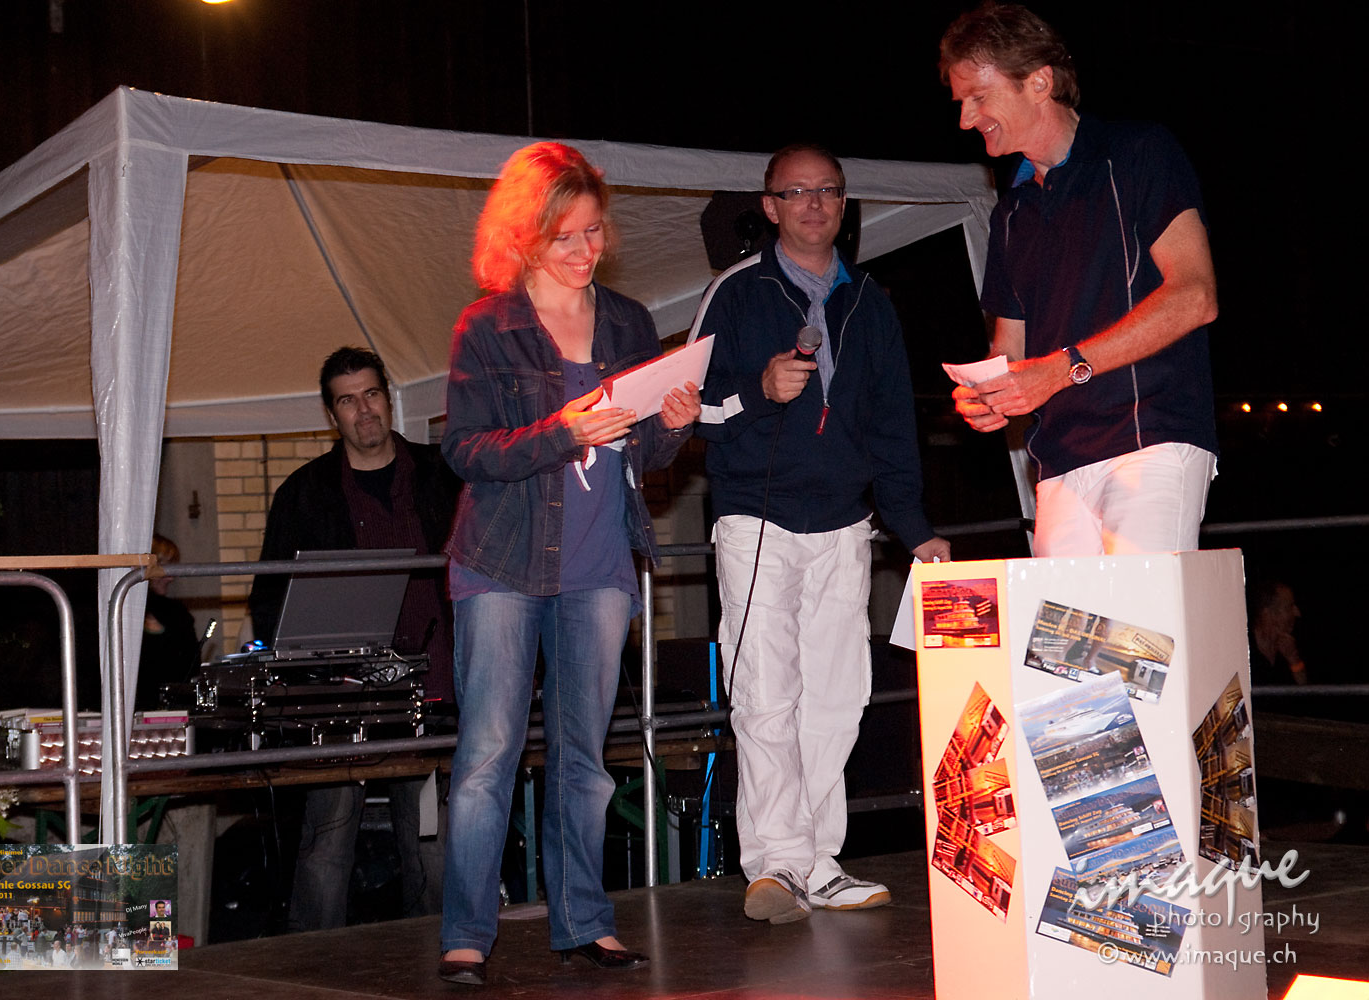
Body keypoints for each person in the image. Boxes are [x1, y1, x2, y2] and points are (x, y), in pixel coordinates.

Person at [438, 141, 700, 986]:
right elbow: (464, 450)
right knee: (489, 755)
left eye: (594, 231)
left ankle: (584, 922)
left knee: (585, 759)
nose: (587, 249)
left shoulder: (626, 321)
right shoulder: (487, 327)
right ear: (524, 236)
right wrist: (563, 431)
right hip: (501, 563)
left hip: (599, 563)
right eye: (566, 237)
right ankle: (466, 933)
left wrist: (674, 423)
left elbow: (644, 451)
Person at [693, 144, 950, 924]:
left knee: (839, 698)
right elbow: (688, 409)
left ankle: (817, 861)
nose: (813, 204)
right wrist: (758, 390)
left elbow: (892, 427)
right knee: (767, 697)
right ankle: (776, 864)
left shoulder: (870, 300)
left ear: (844, 203)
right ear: (769, 206)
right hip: (757, 518)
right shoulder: (736, 292)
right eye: (796, 192)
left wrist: (914, 529)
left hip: (845, 523)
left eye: (828, 191)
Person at [940, 3, 1220, 557]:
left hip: (1149, 437)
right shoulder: (1010, 212)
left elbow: (1195, 295)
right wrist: (990, 396)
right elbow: (1010, 350)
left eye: (979, 97)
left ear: (1039, 82)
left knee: (1138, 616)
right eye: (961, 103)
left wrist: (1061, 369)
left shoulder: (1138, 153)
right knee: (1060, 621)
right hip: (1058, 459)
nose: (966, 120)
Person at [248, 345, 462, 929]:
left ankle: (441, 956)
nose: (363, 410)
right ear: (331, 414)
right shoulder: (302, 493)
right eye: (347, 401)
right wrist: (303, 678)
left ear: (388, 399)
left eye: (371, 394)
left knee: (432, 846)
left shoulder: (444, 474)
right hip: (340, 703)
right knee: (327, 846)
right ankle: (313, 967)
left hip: (434, 694)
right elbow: (269, 602)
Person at [137, 534, 199, 709]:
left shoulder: (176, 613)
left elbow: (191, 667)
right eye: (164, 568)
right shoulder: (127, 610)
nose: (171, 577)